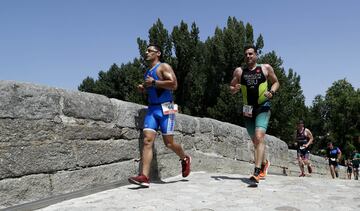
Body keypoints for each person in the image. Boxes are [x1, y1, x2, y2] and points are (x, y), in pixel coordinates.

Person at [128, 44, 191, 187]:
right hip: (152, 109)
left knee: (168, 143)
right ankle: (144, 177)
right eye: (146, 50)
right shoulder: (147, 72)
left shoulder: (163, 67)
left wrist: (154, 82)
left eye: (150, 50)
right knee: (147, 141)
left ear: (158, 53)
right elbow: (154, 89)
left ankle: (185, 158)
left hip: (166, 108)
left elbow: (174, 84)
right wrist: (143, 88)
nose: (146, 52)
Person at [229, 45, 280, 184]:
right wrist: (235, 89)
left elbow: (276, 82)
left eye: (251, 54)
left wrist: (272, 92)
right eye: (246, 54)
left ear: (256, 55)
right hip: (248, 110)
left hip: (263, 106)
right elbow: (231, 88)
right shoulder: (239, 72)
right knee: (255, 141)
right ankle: (264, 163)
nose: (248, 56)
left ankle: (256, 172)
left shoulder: (265, 68)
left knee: (259, 137)